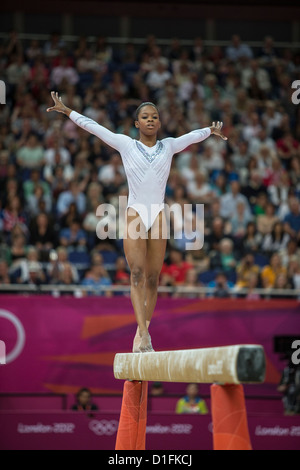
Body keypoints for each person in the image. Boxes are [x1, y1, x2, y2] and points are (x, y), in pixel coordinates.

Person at [47, 91, 227, 352]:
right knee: (138, 274)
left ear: (160, 123)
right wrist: (67, 111)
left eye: (155, 116)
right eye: (145, 117)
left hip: (158, 216)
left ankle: (146, 327)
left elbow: (192, 136)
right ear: (137, 123)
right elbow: (95, 128)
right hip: (134, 214)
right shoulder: (126, 145)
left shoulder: (169, 146)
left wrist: (211, 130)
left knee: (154, 278)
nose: (151, 120)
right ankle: (143, 335)